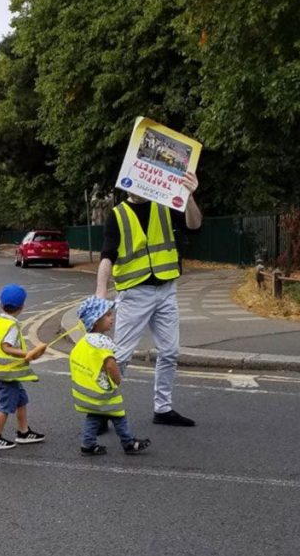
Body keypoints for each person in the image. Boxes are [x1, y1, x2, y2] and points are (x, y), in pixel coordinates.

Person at [96, 172, 202, 427]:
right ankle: (101, 411)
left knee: (170, 351)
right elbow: (107, 255)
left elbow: (195, 225)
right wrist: (100, 293)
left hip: (166, 289)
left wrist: (189, 195)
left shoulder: (165, 206)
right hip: (135, 294)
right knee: (120, 356)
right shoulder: (118, 215)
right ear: (125, 182)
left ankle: (163, 409)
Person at [70, 297, 151, 456]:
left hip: (88, 389)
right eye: (107, 315)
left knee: (94, 415)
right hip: (103, 389)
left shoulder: (83, 341)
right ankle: (129, 443)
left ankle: (88, 444)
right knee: (119, 414)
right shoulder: (103, 342)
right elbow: (110, 364)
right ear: (95, 321)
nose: (111, 318)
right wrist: (117, 378)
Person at [0, 285, 48, 451]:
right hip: (7, 374)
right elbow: (6, 347)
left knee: (21, 400)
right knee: (6, 407)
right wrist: (26, 354)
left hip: (2, 372)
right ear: (22, 307)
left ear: (0, 304)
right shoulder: (11, 326)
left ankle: (23, 432)